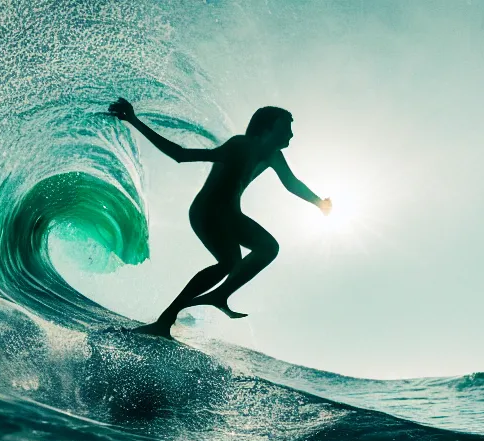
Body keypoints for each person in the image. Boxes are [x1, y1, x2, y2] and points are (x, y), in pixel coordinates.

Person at [108, 98, 331, 339]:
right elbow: (180, 155)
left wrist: (319, 202)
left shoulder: (273, 155)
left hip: (230, 214)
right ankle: (169, 319)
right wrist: (133, 120)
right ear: (268, 128)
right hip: (208, 211)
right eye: (286, 126)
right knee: (231, 262)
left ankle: (218, 295)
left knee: (262, 250)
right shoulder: (240, 145)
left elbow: (291, 183)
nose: (291, 133)